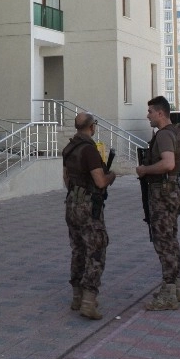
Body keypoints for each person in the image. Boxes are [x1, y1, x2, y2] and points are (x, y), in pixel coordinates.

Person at [62, 112, 116, 319]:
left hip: (72, 203)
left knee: (78, 249)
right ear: (92, 127)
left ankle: (77, 297)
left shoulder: (69, 148)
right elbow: (100, 181)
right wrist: (111, 176)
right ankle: (88, 301)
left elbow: (66, 179)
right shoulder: (89, 150)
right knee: (96, 250)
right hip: (88, 206)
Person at [136, 96, 180, 310]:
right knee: (170, 240)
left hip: (162, 193)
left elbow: (168, 163)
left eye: (150, 111)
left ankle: (169, 294)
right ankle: (174, 287)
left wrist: (145, 170)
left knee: (164, 242)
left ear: (160, 113)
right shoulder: (175, 132)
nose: (147, 115)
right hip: (171, 191)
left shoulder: (165, 135)